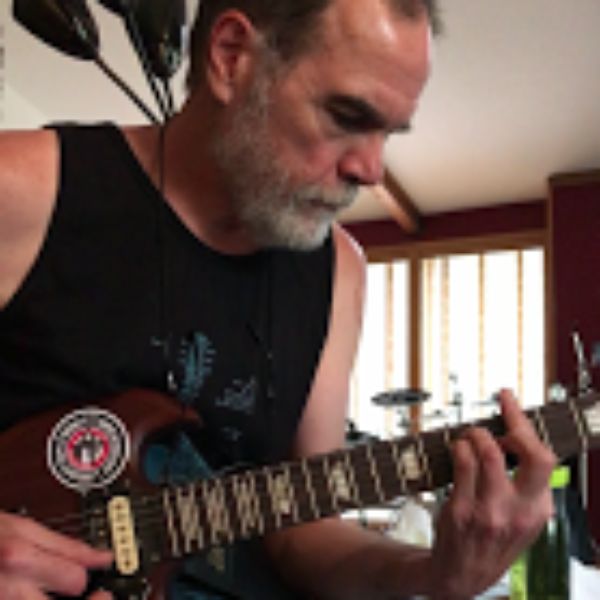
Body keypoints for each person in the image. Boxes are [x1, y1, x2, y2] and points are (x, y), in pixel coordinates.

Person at [0, 0, 556, 598]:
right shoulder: (23, 191)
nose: (372, 170)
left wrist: (432, 573)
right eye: (347, 115)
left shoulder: (338, 273)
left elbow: (306, 534)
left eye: (388, 133)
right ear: (231, 56)